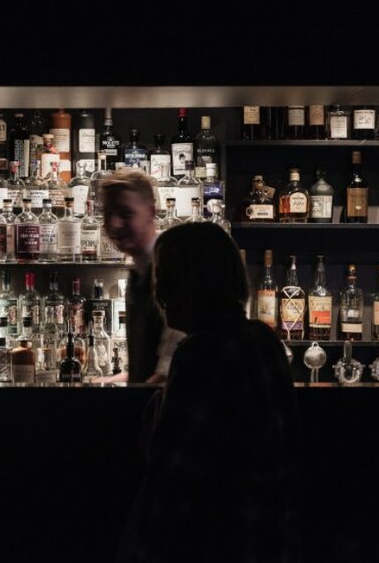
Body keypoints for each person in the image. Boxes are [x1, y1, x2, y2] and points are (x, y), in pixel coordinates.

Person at [116, 222, 301, 563]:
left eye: (168, 275)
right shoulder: (262, 339)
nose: (161, 291)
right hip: (265, 539)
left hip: (215, 544)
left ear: (194, 282)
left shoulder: (204, 352)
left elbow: (171, 478)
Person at [100, 168, 182, 383]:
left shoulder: (171, 267)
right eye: (108, 214)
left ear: (151, 212)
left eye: (126, 214)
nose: (115, 224)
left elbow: (170, 374)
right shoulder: (139, 271)